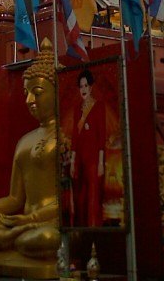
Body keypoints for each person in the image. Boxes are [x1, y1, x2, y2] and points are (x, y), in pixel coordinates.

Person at [0, 38, 60, 274]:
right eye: (26, 93)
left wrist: (31, 220)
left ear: (59, 91)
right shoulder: (24, 141)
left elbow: (70, 199)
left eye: (37, 93)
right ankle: (14, 238)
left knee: (44, 238)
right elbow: (15, 199)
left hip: (53, 223)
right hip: (23, 223)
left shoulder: (68, 137)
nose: (29, 101)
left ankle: (15, 239)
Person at [70, 69, 106, 227]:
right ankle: (81, 232)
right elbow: (74, 136)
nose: (83, 89)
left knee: (93, 198)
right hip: (79, 159)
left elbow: (101, 136)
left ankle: (94, 230)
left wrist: (100, 163)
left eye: (86, 86)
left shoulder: (99, 107)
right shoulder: (77, 109)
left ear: (91, 88)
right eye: (81, 86)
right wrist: (72, 162)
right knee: (80, 198)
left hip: (93, 160)